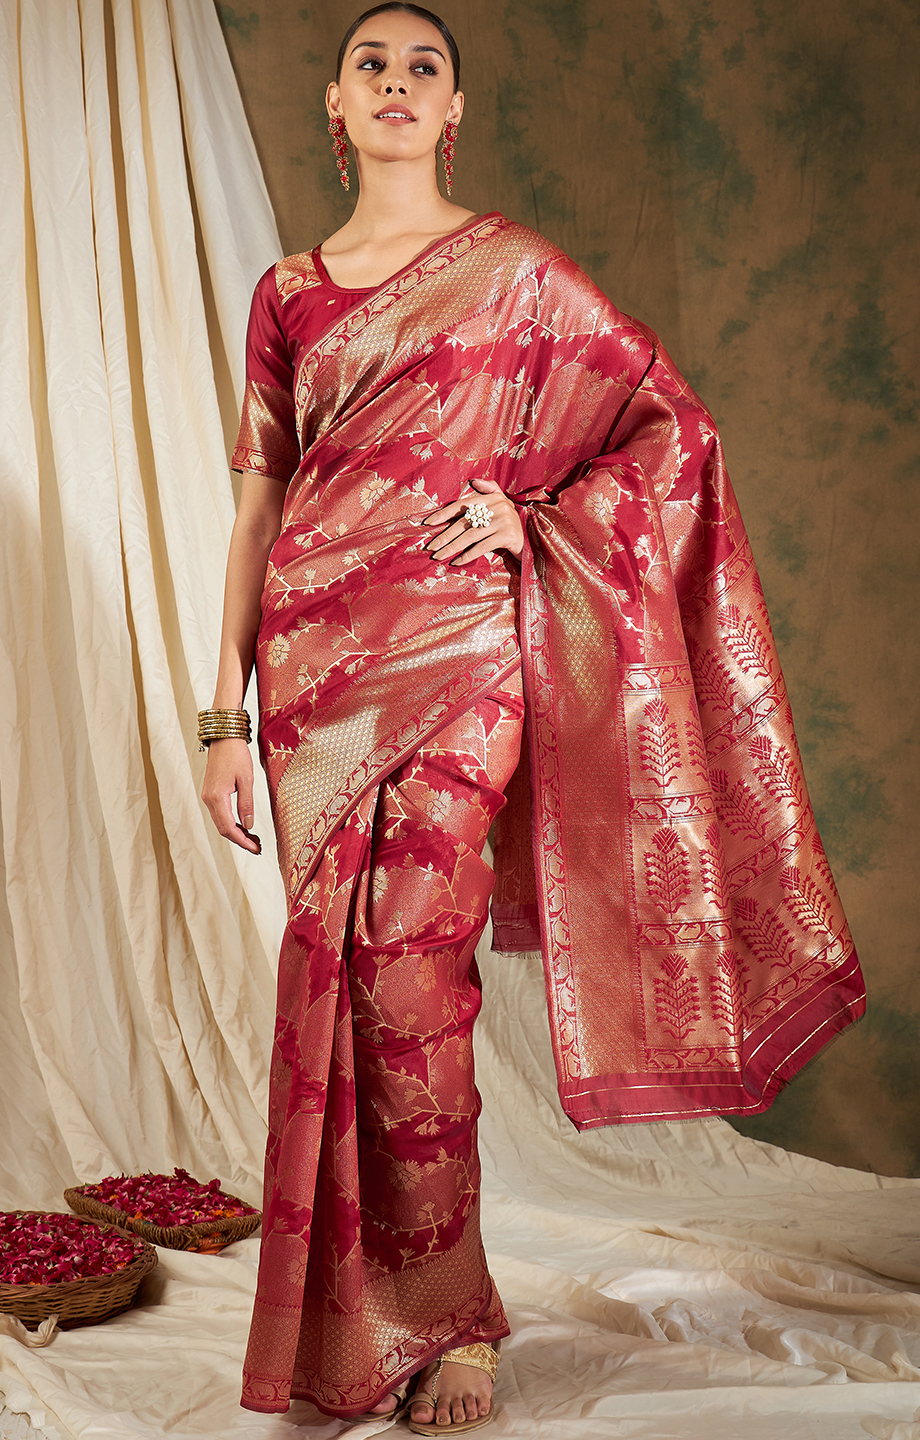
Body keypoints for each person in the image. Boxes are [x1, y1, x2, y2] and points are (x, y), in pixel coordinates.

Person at [200, 4, 865, 1432]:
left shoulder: (518, 275)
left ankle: (454, 1319)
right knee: (332, 984)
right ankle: (352, 1325)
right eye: (371, 64)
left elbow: (670, 429)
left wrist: (538, 518)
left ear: (454, 113)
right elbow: (260, 504)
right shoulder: (286, 290)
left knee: (414, 985)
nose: (395, 82)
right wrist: (220, 717)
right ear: (334, 107)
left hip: (461, 661)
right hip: (312, 677)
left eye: (422, 67)